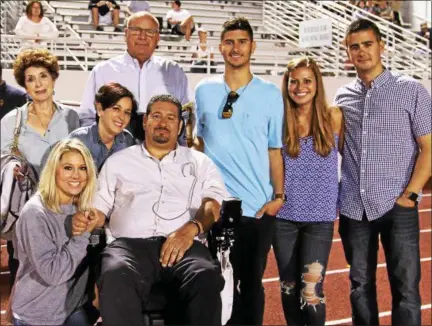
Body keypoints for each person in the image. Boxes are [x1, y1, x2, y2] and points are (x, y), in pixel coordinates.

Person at [72, 94, 227, 325]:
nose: (163, 123)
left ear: (180, 125)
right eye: (156, 116)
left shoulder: (200, 162)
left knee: (205, 276)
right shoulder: (118, 162)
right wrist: (90, 218)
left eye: (170, 117)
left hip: (186, 245)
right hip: (128, 247)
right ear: (145, 122)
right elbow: (100, 206)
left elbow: (212, 204)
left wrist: (190, 230)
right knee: (115, 273)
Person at [334, 19, 431, 326]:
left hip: (397, 205)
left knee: (405, 289)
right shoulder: (342, 97)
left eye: (367, 44)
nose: (361, 52)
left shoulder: (412, 90)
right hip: (353, 207)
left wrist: (411, 195)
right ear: (348, 52)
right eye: (354, 46)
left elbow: (429, 147)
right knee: (360, 287)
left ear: (381, 46)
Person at [194, 17, 285, 325]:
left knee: (250, 285)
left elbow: (275, 150)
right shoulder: (203, 91)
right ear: (221, 47)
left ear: (252, 47)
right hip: (215, 206)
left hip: (257, 208)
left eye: (242, 42)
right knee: (217, 282)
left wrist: (279, 196)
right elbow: (199, 144)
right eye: (229, 42)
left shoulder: (271, 94)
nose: (235, 48)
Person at [1, 49, 80, 290]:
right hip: (25, 213)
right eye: (31, 78)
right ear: (24, 85)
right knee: (25, 278)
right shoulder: (10, 121)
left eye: (43, 76)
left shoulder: (72, 117)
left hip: (65, 211)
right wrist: (12, 168)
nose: (38, 84)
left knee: (64, 275)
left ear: (54, 77)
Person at [273, 57, 343, 326]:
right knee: (288, 287)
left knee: (311, 290)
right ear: (286, 84)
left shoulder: (333, 117)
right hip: (284, 217)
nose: (300, 87)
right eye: (294, 81)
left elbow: (348, 159)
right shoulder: (278, 120)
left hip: (320, 218)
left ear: (317, 84)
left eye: (307, 81)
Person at [10, 138, 99, 326]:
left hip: (73, 307)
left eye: (82, 168)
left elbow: (92, 252)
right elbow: (53, 274)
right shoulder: (35, 213)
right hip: (38, 315)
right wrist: (82, 234)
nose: (76, 175)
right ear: (54, 171)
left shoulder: (84, 208)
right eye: (68, 168)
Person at [78, 11, 192, 145]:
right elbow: (87, 117)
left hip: (163, 154)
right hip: (113, 154)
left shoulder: (174, 71)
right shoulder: (103, 71)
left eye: (150, 31)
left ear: (158, 38)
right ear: (125, 34)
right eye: (136, 30)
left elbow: (186, 115)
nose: (142, 37)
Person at [69, 82, 137, 171]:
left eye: (127, 112)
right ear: (100, 109)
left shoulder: (128, 140)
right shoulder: (78, 140)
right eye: (116, 109)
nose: (122, 117)